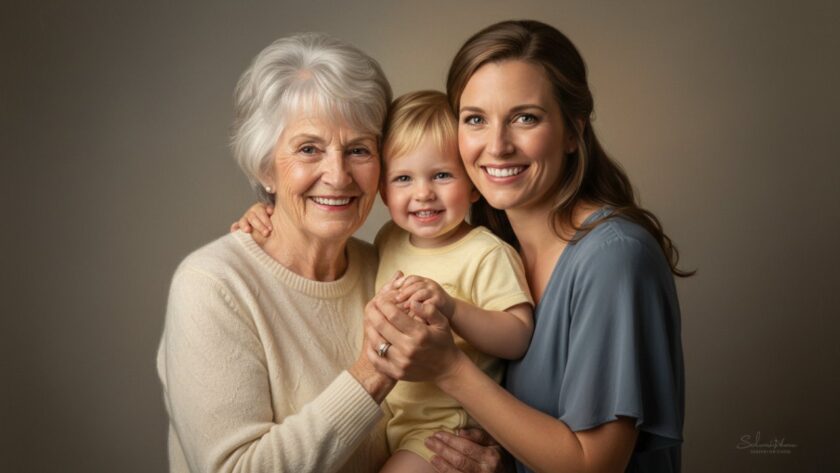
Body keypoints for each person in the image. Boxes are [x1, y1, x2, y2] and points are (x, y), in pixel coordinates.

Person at [362, 20, 687, 473]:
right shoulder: (496, 245)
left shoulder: (613, 257)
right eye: (475, 119)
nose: (497, 146)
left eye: (525, 118)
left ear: (574, 131)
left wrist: (449, 369)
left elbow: (593, 465)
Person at [236, 90, 534, 473]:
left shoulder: (485, 253)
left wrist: (452, 308)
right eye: (403, 178)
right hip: (394, 425)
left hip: (445, 432)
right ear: (382, 190)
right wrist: (267, 214)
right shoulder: (389, 239)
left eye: (442, 175)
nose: (423, 193)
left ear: (474, 184)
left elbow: (518, 336)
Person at [157, 33, 398, 473]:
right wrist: (374, 371)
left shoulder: (389, 267)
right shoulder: (212, 286)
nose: (338, 174)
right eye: (309, 149)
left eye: (359, 149)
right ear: (265, 166)